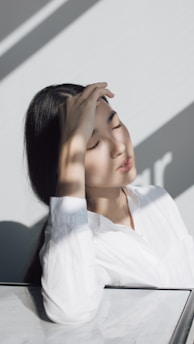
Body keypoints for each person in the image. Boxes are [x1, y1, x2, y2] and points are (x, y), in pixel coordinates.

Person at [24, 82, 194, 325]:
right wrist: (73, 147)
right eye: (92, 144)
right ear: (62, 164)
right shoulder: (82, 243)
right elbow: (69, 311)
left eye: (115, 125)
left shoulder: (157, 200)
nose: (119, 147)